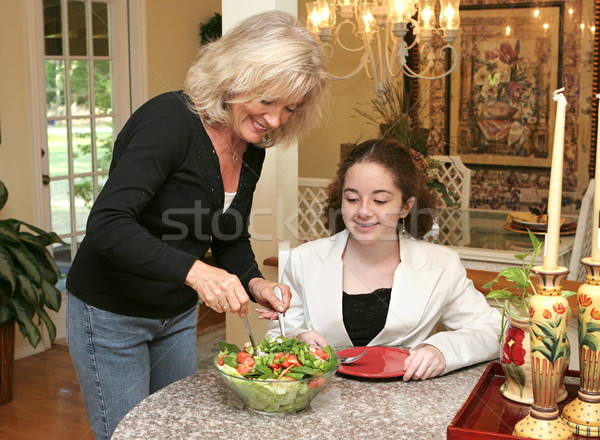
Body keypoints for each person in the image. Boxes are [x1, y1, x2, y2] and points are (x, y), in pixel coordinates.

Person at [65, 10, 329, 440]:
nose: (275, 120)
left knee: (178, 430)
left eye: (289, 109)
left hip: (176, 313)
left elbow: (229, 237)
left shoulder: (251, 147)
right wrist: (196, 271)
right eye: (267, 101)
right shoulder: (169, 121)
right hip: (111, 314)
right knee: (127, 433)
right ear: (235, 75)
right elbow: (108, 224)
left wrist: (255, 283)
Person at [266, 138, 501, 381]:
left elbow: (494, 331)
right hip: (321, 398)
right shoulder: (303, 260)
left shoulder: (442, 265)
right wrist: (297, 342)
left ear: (405, 207)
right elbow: (277, 338)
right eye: (352, 199)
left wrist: (441, 350)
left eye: (379, 200)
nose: (363, 211)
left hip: (409, 402)